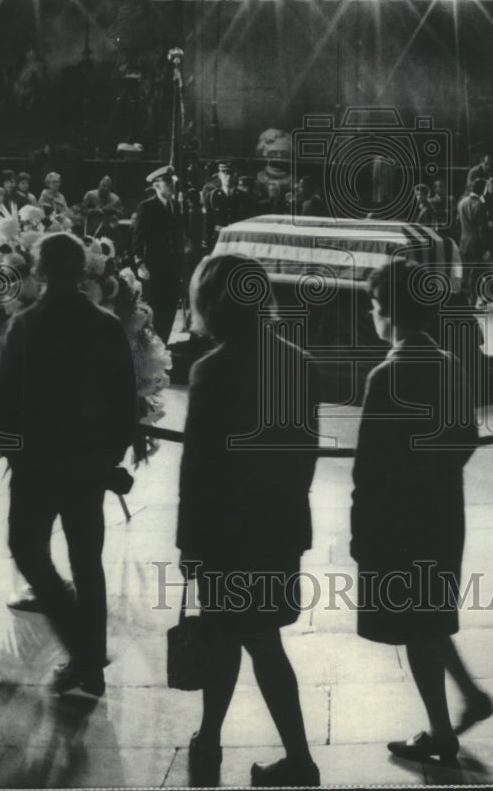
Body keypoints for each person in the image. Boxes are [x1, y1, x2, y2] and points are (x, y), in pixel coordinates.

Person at [177, 254, 321, 788]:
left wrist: (188, 544)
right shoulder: (299, 363)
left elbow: (198, 470)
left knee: (230, 637)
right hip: (276, 528)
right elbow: (305, 455)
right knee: (257, 638)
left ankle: (227, 743)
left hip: (222, 535)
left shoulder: (210, 371)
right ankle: (224, 740)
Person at [351, 259, 493, 767]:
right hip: (442, 514)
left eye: (372, 305)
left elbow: (367, 471)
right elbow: (466, 436)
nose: (372, 314)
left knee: (415, 626)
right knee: (429, 615)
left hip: (397, 521)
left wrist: (360, 534)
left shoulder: (385, 375)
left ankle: (440, 732)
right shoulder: (448, 364)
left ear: (387, 313)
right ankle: (467, 699)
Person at [0, 233, 137, 698]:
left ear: (39, 270)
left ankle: (78, 639)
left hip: (37, 464)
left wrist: (15, 454)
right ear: (83, 272)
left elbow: (6, 401)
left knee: (26, 545)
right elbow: (123, 402)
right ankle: (89, 664)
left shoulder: (27, 325)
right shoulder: (105, 325)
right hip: (86, 464)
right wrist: (107, 460)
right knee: (86, 560)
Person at [133, 165, 185, 345]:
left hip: (173, 267)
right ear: (156, 185)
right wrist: (139, 263)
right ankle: (153, 348)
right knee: (156, 308)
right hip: (155, 267)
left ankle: (164, 345)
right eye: (167, 182)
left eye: (172, 182)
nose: (171, 186)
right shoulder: (147, 207)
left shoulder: (176, 206)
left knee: (170, 306)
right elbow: (138, 237)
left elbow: (178, 234)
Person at [456, 178, 491, 296]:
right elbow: (483, 230)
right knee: (476, 277)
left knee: (464, 275)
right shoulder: (479, 205)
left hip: (463, 243)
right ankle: (472, 306)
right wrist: (486, 248)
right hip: (476, 245)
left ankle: (464, 304)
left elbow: (458, 224)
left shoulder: (462, 202)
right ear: (483, 189)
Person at [204, 162, 246, 250]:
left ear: (235, 175)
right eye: (224, 173)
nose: (228, 177)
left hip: (238, 240)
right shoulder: (211, 196)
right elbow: (208, 222)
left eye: (231, 173)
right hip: (218, 240)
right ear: (219, 175)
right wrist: (207, 243)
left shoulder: (243, 197)